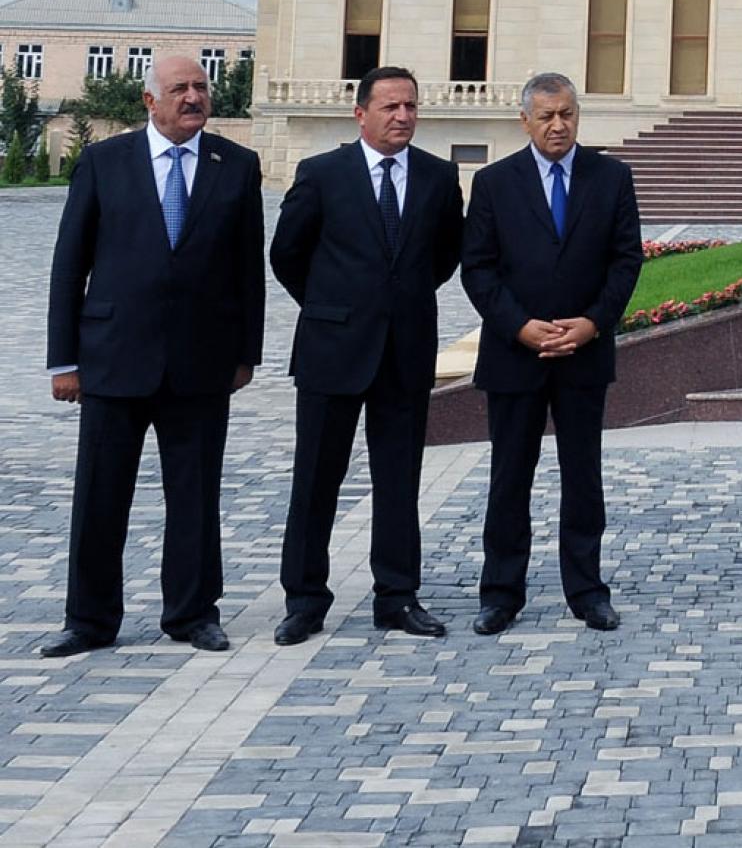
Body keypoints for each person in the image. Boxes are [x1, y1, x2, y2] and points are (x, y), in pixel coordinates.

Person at [41, 53, 265, 657]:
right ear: (149, 100)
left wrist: (247, 353)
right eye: (180, 88)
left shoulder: (237, 165)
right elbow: (70, 264)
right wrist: (64, 361)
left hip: (202, 362)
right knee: (99, 495)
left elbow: (249, 268)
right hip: (113, 358)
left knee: (195, 494)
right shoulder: (103, 162)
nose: (193, 97)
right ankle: (89, 620)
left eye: (201, 87)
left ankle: (193, 613)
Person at [268, 66, 465, 646]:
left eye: (410, 106)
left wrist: (393, 305)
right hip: (332, 350)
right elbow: (287, 255)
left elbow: (444, 257)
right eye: (390, 107)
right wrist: (334, 306)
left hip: (404, 352)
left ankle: (397, 597)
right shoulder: (322, 174)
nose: (402, 116)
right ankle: (304, 600)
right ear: (361, 114)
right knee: (316, 479)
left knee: (400, 480)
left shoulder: (437, 176)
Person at [461, 71, 643, 634]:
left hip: (583, 354)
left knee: (583, 476)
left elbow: (626, 261)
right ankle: (501, 594)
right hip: (516, 355)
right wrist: (520, 327)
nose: (558, 125)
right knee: (510, 475)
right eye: (546, 116)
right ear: (525, 121)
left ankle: (587, 591)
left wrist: (591, 324)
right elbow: (479, 268)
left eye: (566, 114)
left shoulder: (611, 177)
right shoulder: (494, 183)